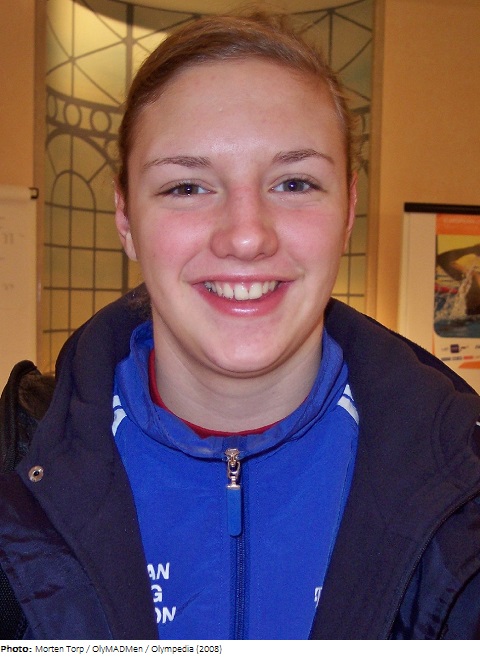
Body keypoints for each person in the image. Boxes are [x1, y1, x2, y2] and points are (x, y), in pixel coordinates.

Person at [1, 10, 480, 641]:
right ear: (125, 218)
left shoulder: (464, 484)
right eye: (187, 187)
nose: (247, 236)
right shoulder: (16, 482)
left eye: (294, 182)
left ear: (348, 210)